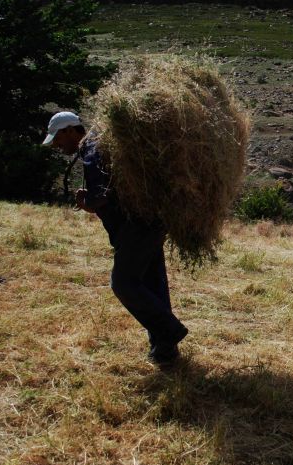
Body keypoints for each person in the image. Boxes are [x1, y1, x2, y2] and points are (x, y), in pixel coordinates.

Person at [43, 111, 188, 366]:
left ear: (69, 131)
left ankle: (170, 331)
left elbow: (103, 195)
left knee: (123, 283)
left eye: (57, 138)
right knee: (151, 283)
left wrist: (88, 203)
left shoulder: (91, 149)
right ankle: (165, 349)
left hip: (136, 227)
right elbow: (116, 185)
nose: (56, 144)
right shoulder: (101, 143)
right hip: (151, 220)